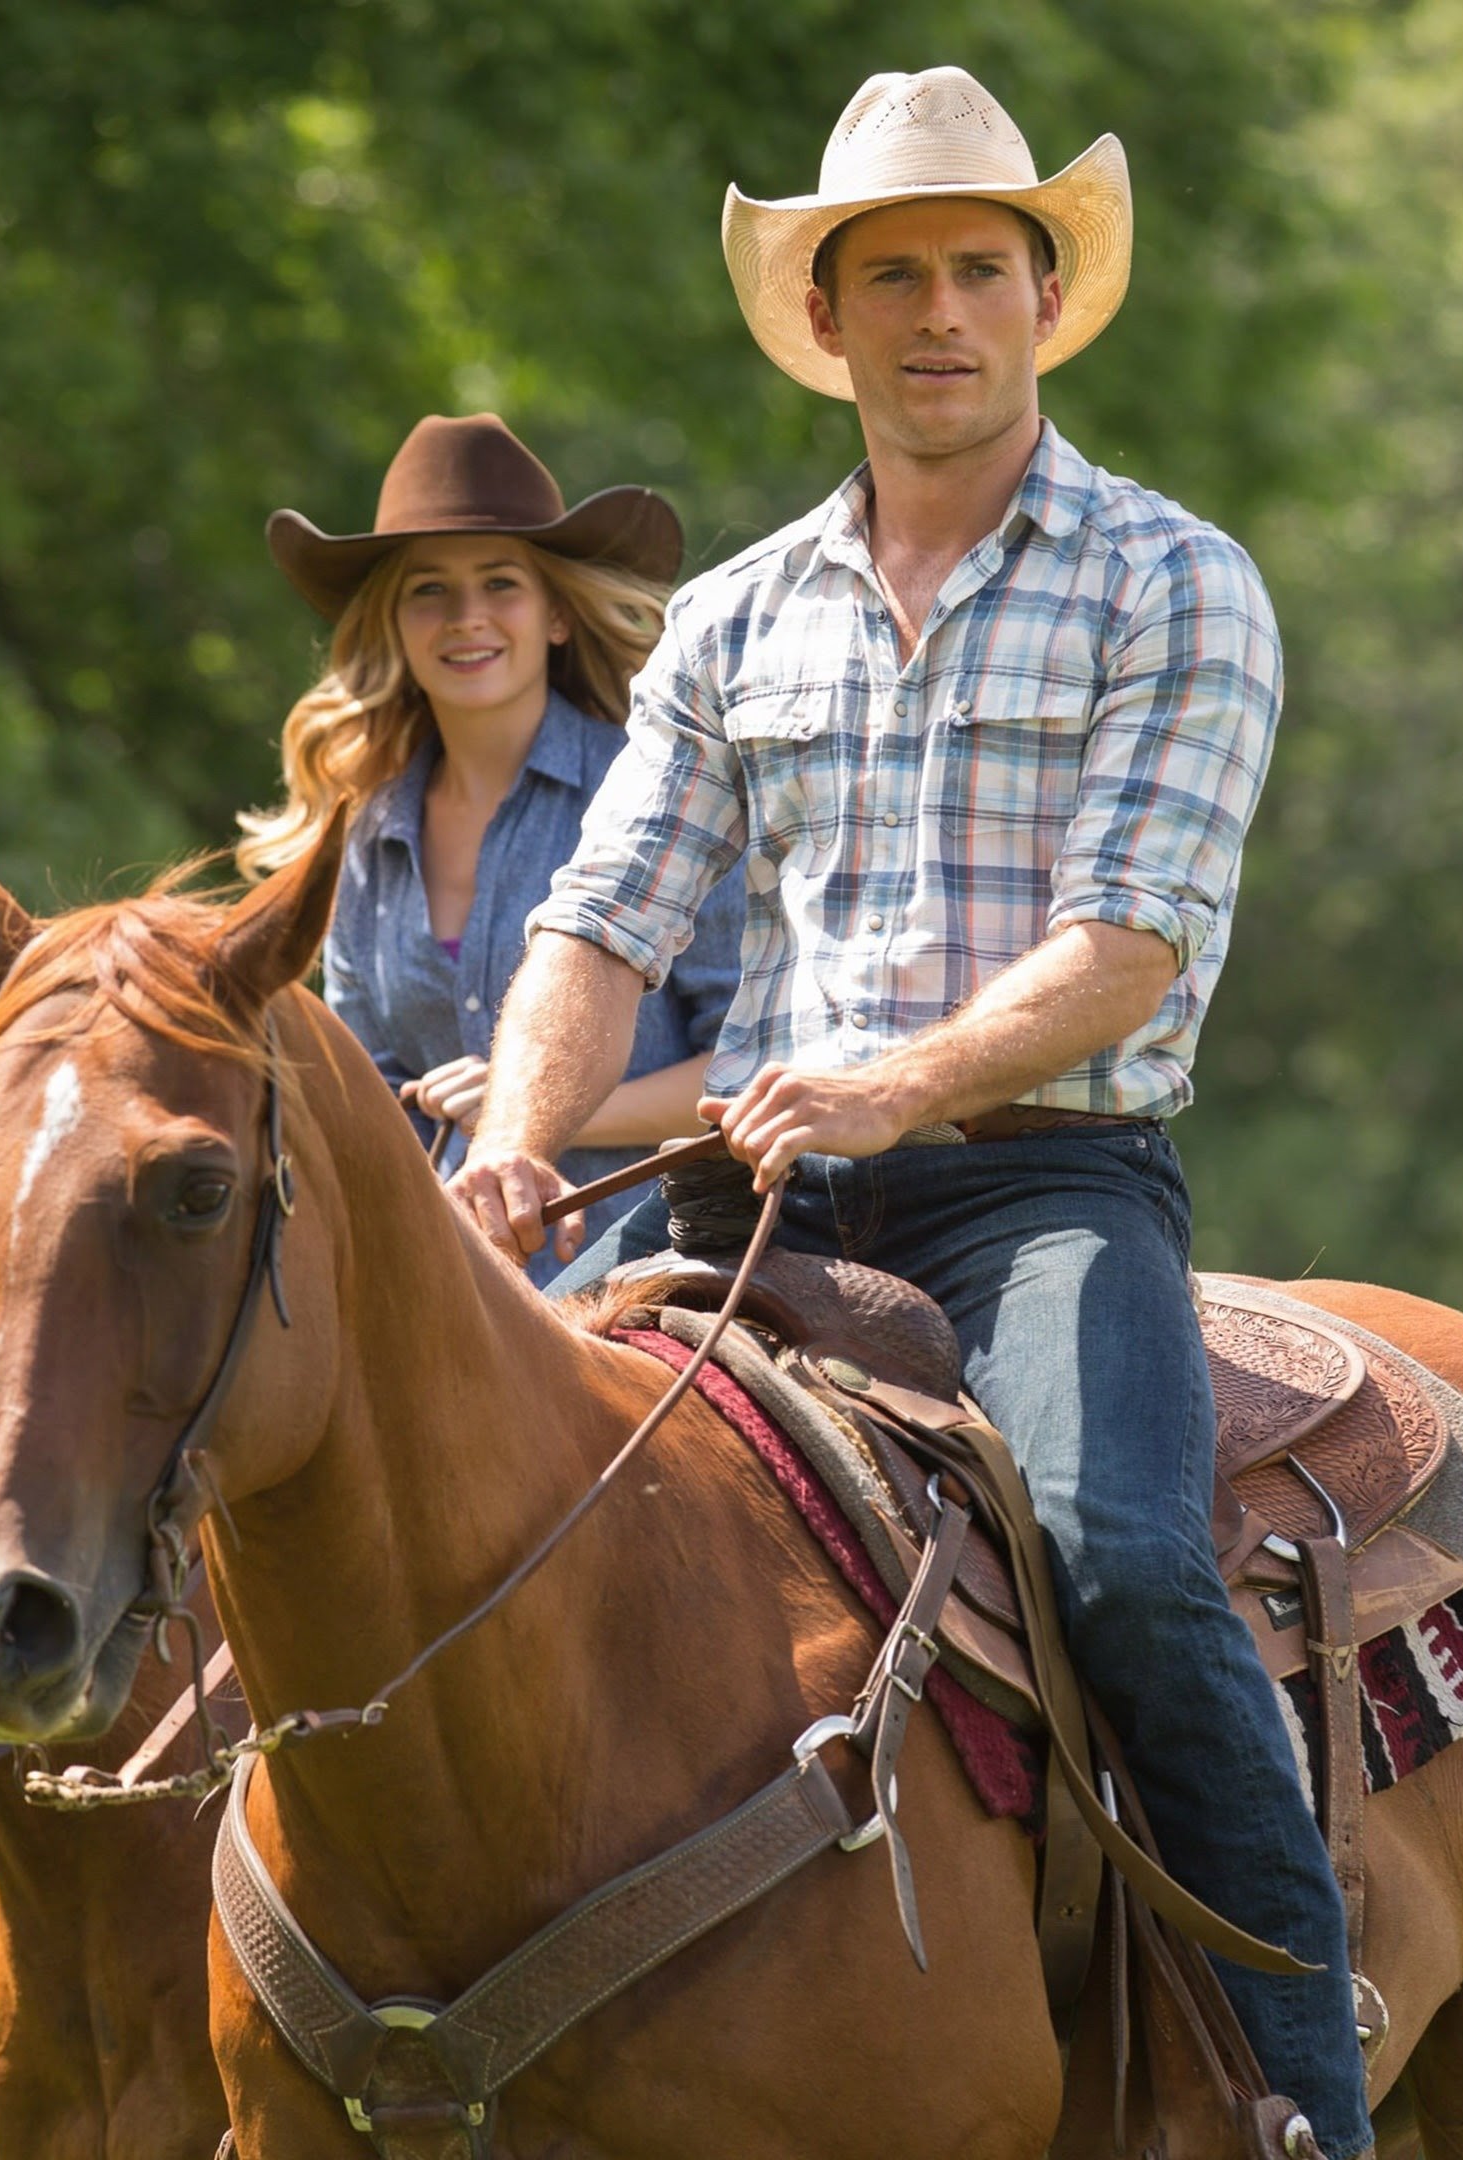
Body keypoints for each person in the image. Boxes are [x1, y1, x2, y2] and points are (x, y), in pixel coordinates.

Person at [444, 68, 1373, 2156]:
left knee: (1127, 1560)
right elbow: (602, 917)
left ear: (1046, 301)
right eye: (893, 278)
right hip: (763, 1188)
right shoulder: (734, 619)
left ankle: (1299, 2097)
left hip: (1036, 1189)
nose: (938, 310)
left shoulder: (1174, 581)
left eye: (978, 268)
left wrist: (901, 1079)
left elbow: (1127, 947)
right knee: (450, 1494)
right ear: (830, 324)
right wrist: (522, 1132)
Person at [241, 413, 745, 1283]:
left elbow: (749, 1070)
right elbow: (366, 1104)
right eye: (428, 589)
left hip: (657, 1272)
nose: (466, 617)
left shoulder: (661, 790)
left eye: (500, 583)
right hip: (448, 1290)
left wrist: (529, 1116)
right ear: (394, 624)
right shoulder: (365, 836)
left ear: (555, 614)